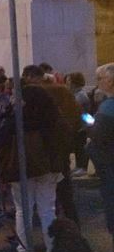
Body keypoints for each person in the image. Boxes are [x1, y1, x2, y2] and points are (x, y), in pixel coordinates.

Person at [0, 65, 62, 252]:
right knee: (47, 209)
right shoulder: (51, 119)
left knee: (22, 210)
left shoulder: (15, 120)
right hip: (47, 166)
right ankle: (52, 249)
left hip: (20, 167)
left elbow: (0, 142)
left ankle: (24, 250)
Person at [24, 65, 81, 224]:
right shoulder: (63, 91)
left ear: (30, 76)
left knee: (43, 198)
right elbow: (77, 116)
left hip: (39, 150)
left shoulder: (32, 94)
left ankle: (53, 233)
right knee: (65, 192)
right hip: (61, 147)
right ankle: (73, 228)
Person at [86, 63, 114, 251]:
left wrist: (89, 143)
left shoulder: (107, 108)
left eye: (100, 79)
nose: (98, 83)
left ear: (111, 82)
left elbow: (98, 141)